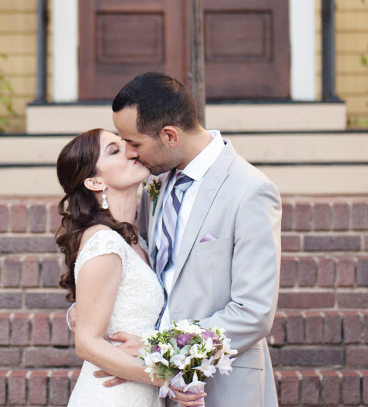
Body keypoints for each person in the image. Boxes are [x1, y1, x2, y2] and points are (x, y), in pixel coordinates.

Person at [89, 72, 281, 406]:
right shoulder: (156, 184)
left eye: (134, 142)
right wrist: (91, 311)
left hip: (221, 389)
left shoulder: (250, 190)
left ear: (169, 136)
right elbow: (142, 271)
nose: (131, 154)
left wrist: (157, 348)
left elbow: (253, 312)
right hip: (152, 389)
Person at [57, 129, 206, 407]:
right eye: (114, 150)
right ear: (94, 181)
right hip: (112, 396)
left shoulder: (139, 241)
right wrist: (167, 377)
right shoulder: (104, 241)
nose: (130, 150)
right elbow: (87, 342)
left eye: (124, 142)